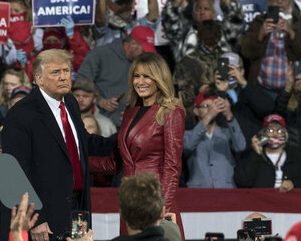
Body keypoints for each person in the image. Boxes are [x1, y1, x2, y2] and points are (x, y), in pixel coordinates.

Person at [0, 49, 113, 241]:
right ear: (39, 79)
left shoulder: (70, 103)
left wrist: (122, 140)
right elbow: (11, 174)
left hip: (76, 209)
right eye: (55, 72)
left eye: (67, 71)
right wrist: (36, 220)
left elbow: (83, 142)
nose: (63, 77)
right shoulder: (21, 114)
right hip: (44, 216)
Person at [91, 52, 185, 219]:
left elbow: (172, 166)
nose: (140, 82)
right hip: (129, 199)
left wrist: (162, 208)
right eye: (136, 76)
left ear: (159, 78)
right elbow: (115, 163)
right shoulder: (129, 112)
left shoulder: (171, 112)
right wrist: (75, 161)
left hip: (154, 199)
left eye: (147, 76)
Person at [78, 26, 154, 126]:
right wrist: (100, 101)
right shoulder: (99, 54)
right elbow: (81, 83)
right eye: (143, 51)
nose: (145, 55)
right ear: (132, 44)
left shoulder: (144, 62)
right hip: (100, 123)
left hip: (131, 124)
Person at [183, 90, 246, 189]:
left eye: (213, 106)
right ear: (196, 110)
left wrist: (229, 115)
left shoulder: (226, 133)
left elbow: (241, 146)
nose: (210, 109)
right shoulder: (188, 134)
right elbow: (187, 146)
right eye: (205, 106)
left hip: (225, 190)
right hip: (198, 193)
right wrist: (209, 116)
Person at [235, 114, 301, 191]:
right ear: (263, 133)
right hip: (261, 201)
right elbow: (242, 181)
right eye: (270, 130)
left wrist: (293, 183)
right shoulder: (251, 155)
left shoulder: (295, 157)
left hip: (287, 201)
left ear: (285, 134)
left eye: (279, 130)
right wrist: (255, 154)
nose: (275, 134)